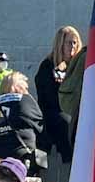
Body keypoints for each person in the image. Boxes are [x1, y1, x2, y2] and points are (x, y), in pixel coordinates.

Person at [34, 26, 80, 165]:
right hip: (54, 113)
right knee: (65, 123)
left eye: (75, 42)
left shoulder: (79, 65)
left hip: (76, 110)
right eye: (69, 42)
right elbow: (48, 98)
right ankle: (70, 161)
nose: (72, 46)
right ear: (60, 44)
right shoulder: (48, 66)